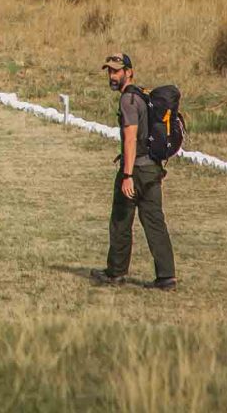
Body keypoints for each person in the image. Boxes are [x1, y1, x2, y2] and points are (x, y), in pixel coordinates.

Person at [91, 53, 177, 290]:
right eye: (109, 71)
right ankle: (167, 276)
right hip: (152, 170)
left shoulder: (128, 101)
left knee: (120, 221)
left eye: (116, 71)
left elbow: (130, 139)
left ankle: (115, 272)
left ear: (129, 72)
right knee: (155, 222)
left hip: (136, 171)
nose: (112, 75)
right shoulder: (142, 95)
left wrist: (127, 176)